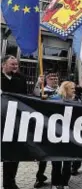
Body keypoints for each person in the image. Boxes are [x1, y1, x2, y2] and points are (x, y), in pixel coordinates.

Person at [1, 55, 27, 189]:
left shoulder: (21, 78)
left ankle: (10, 182)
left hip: (14, 121)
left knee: (13, 153)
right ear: (3, 65)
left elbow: (26, 98)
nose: (15, 67)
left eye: (16, 64)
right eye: (12, 64)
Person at [32, 71, 59, 188]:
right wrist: (38, 83)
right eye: (51, 77)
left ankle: (57, 180)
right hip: (45, 127)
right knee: (43, 156)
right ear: (46, 80)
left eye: (56, 77)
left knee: (57, 157)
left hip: (59, 127)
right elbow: (34, 95)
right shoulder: (43, 90)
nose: (54, 79)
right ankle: (40, 177)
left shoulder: (61, 90)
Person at [49, 81, 76, 189]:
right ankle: (55, 183)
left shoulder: (76, 100)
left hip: (70, 135)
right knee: (56, 161)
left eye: (74, 88)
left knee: (68, 161)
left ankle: (65, 182)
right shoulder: (55, 99)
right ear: (65, 89)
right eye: (72, 88)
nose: (74, 90)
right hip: (56, 134)